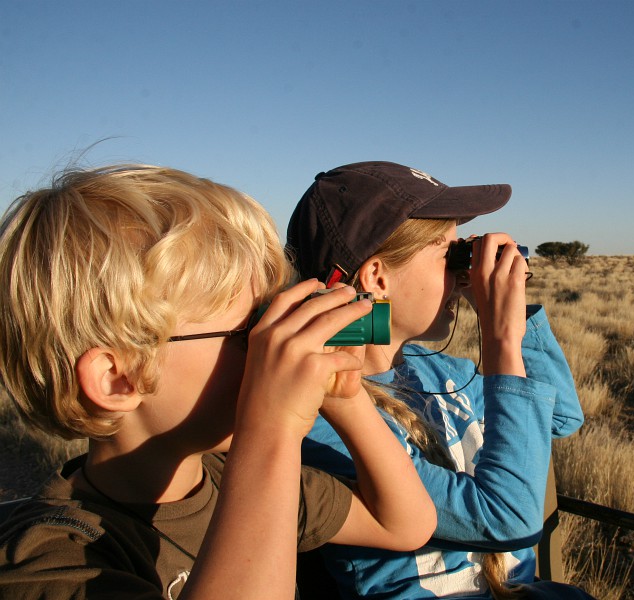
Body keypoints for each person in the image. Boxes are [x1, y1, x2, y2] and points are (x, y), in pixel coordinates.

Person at [0, 164, 437, 600]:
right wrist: (273, 427)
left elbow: (405, 524)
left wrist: (345, 397)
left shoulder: (232, 476)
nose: (272, 347)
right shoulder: (53, 562)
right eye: (250, 333)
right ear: (119, 379)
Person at [287, 161, 591, 599]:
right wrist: (501, 338)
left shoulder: (444, 373)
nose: (463, 271)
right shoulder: (327, 419)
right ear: (378, 277)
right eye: (448, 255)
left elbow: (561, 417)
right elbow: (507, 519)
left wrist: (513, 319)